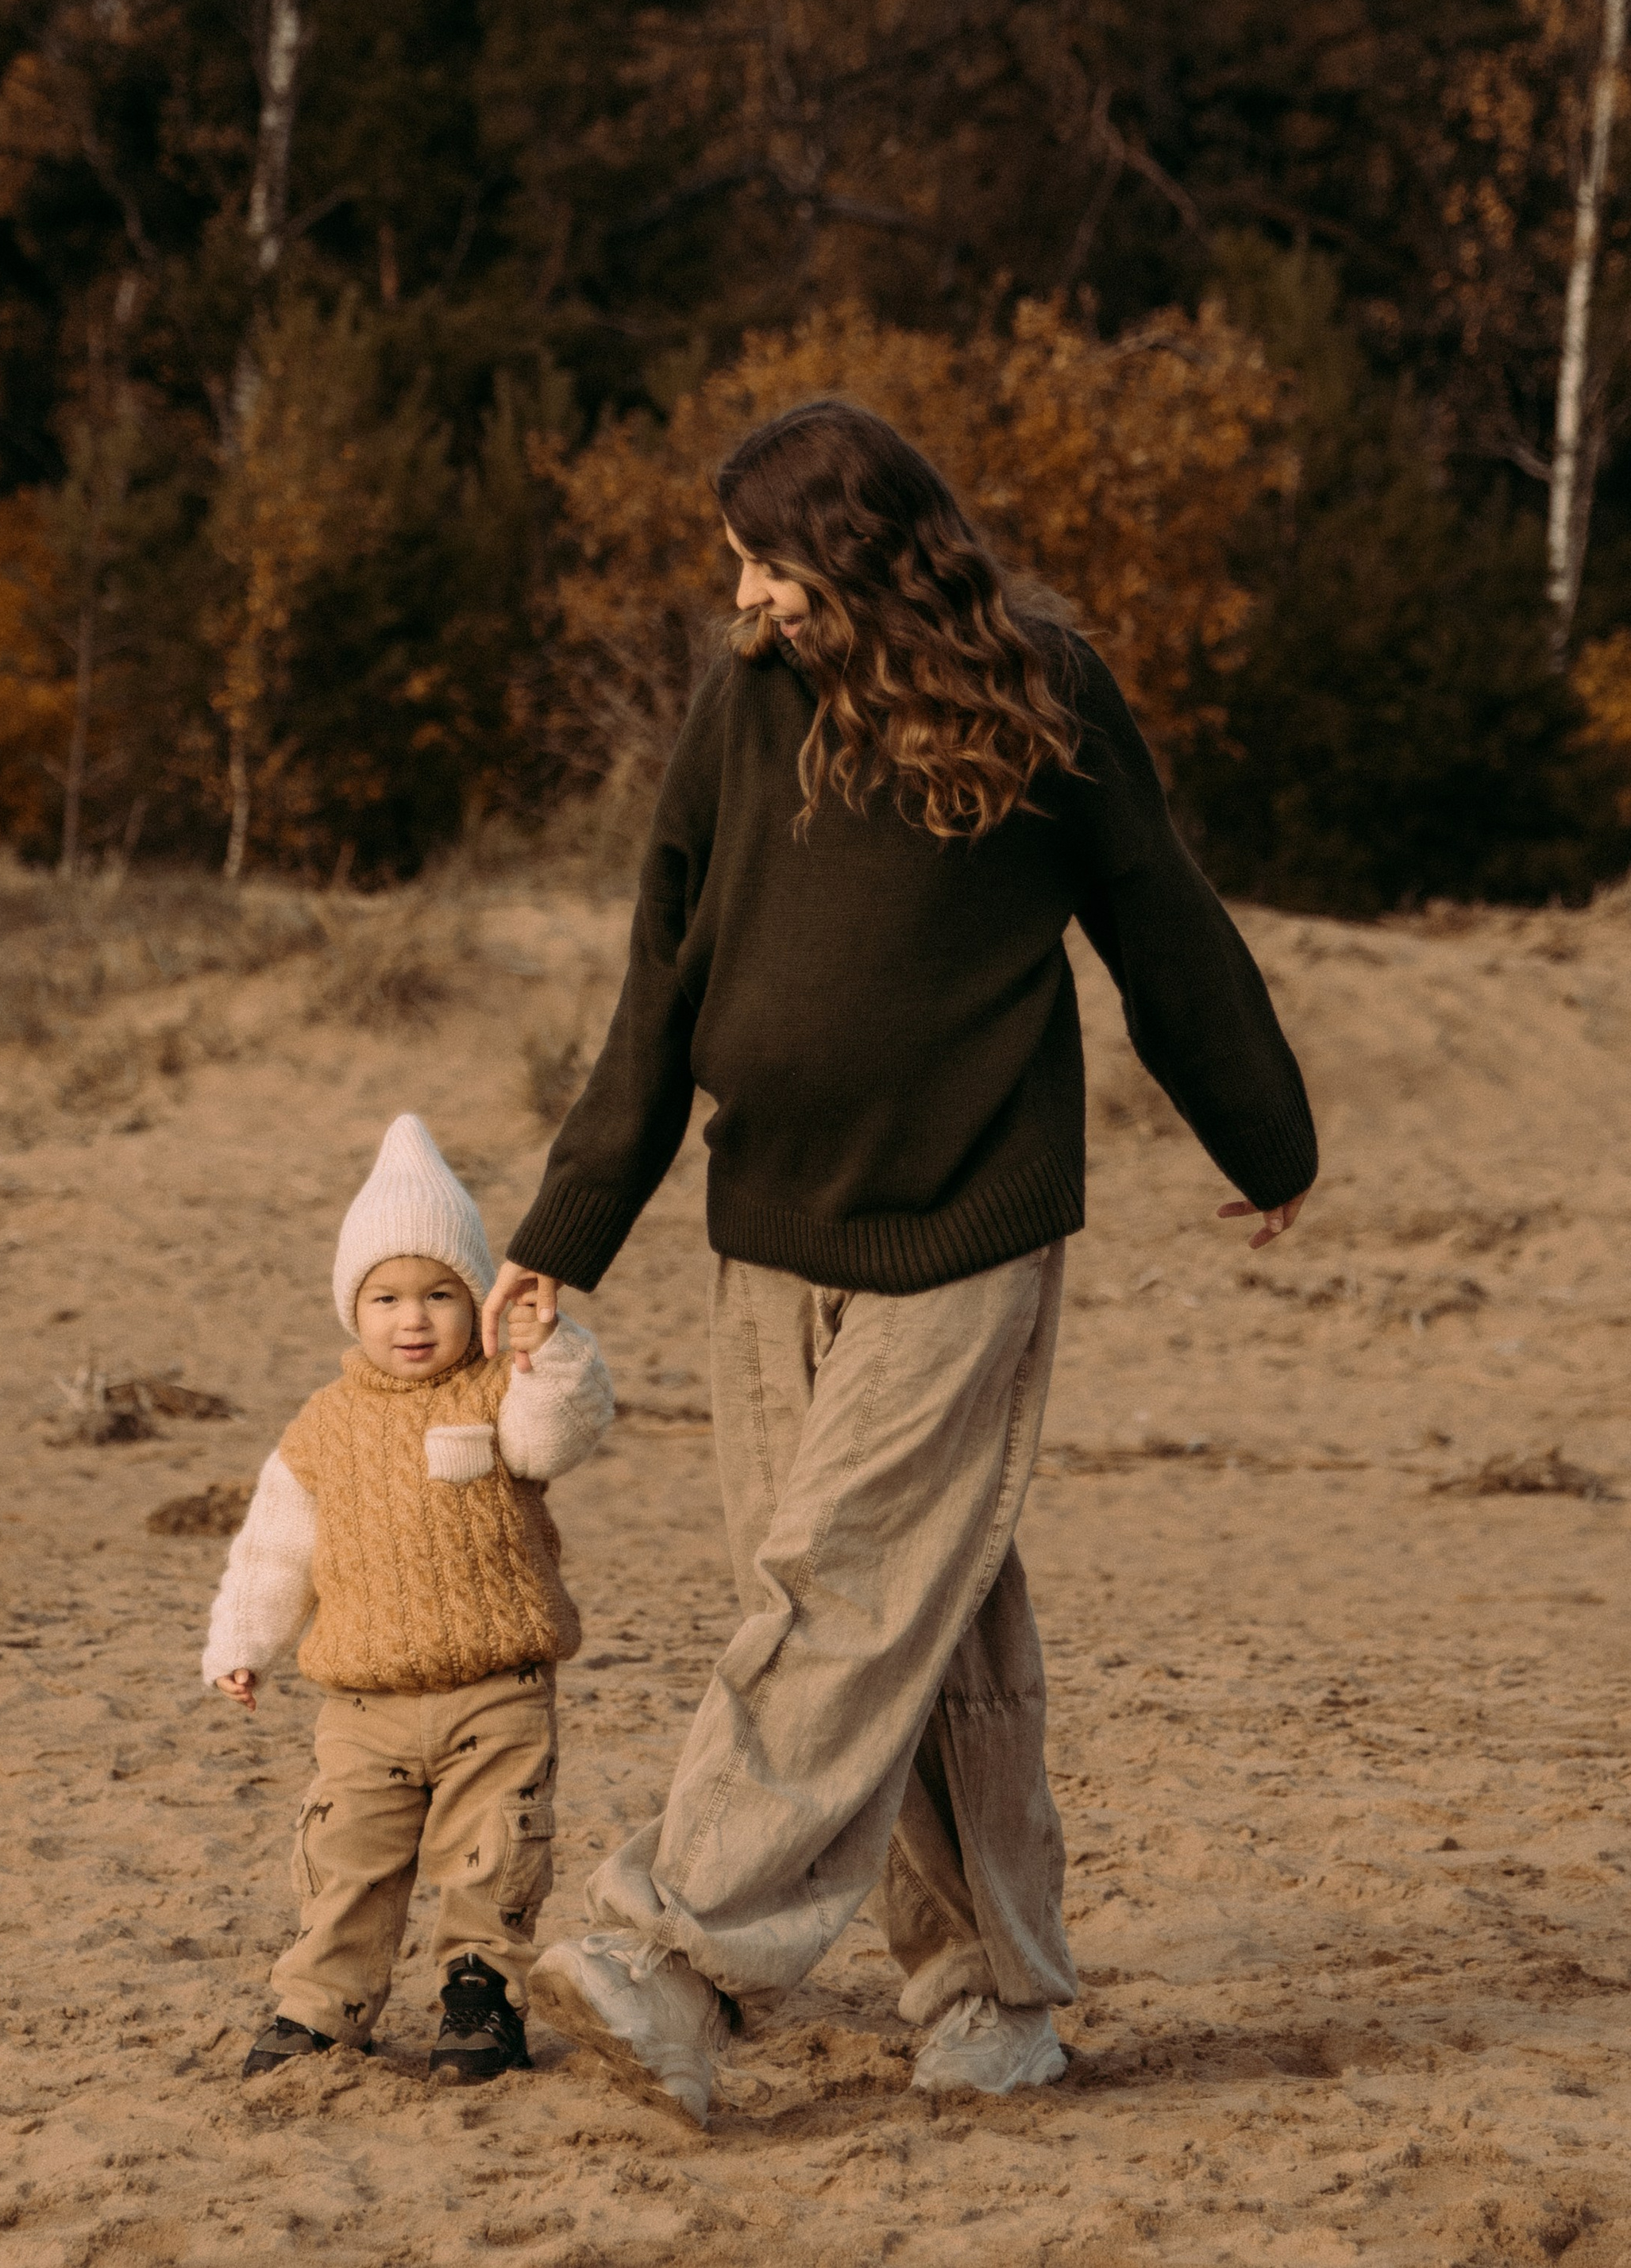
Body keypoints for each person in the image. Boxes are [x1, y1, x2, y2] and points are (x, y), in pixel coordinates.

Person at [480, 397, 1317, 2128]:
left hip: (963, 1226)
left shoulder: (1044, 692)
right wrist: (562, 1235)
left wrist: (1264, 1143)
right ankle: (993, 1991)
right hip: (770, 1231)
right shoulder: (742, 699)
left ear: (862, 558)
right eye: (738, 569)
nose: (747, 601)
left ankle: (672, 1944)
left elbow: (1160, 921)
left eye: (773, 568)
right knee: (906, 1621)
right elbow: (663, 977)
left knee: (844, 1595)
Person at [205, 1112, 615, 2084]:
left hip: (496, 1690)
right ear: (354, 1308)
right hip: (364, 1705)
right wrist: (243, 1643)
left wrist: (545, 1352)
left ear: (476, 1298)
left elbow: (554, 1439)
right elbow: (276, 1547)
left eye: (439, 1293)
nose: (414, 1318)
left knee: (495, 1858)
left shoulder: (496, 1391)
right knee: (347, 1862)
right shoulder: (324, 1425)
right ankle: (319, 2008)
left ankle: (480, 2001)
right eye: (386, 1297)